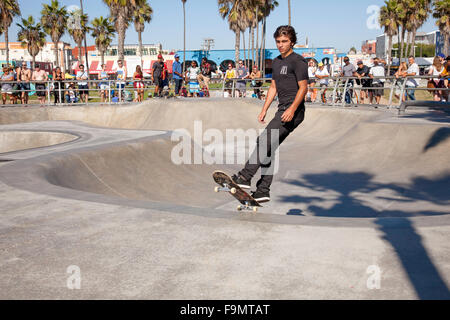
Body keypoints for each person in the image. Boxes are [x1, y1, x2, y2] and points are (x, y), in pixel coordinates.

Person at [231, 25, 308, 203]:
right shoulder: (276, 61)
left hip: (293, 111)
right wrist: (264, 108)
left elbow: (303, 88)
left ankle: (244, 177)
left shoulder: (298, 61)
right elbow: (273, 87)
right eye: (278, 42)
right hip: (282, 109)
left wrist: (292, 109)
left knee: (264, 140)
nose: (281, 45)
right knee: (268, 147)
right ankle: (263, 190)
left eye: (284, 41)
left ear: (292, 42)